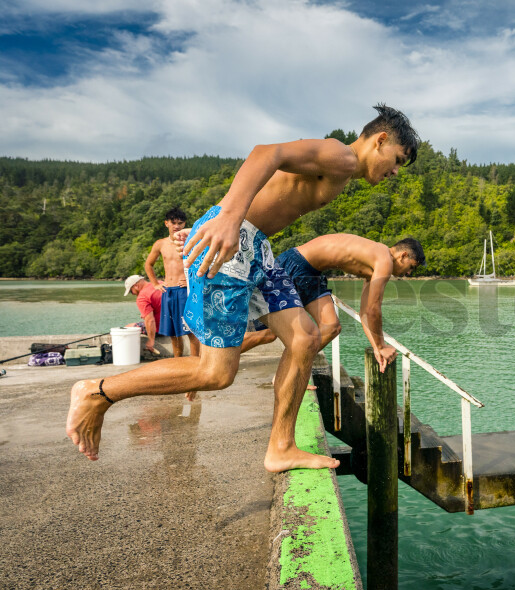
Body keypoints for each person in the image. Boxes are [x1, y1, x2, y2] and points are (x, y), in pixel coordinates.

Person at [67, 104, 419, 473]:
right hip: (235, 241)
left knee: (305, 339)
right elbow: (267, 153)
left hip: (258, 248)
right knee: (215, 373)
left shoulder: (341, 169)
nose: (395, 172)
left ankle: (281, 447)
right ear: (380, 140)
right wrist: (228, 218)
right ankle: (99, 391)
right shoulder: (341, 156)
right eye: (397, 160)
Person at [277, 234, 425, 372]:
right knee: (267, 335)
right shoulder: (384, 260)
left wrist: (376, 348)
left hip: (312, 273)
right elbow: (374, 310)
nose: (409, 273)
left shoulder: (376, 264)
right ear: (403, 255)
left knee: (331, 327)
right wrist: (381, 345)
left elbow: (366, 313)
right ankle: (289, 372)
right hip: (297, 264)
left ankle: (291, 372)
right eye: (411, 267)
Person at [144, 207, 201, 358]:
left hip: (185, 291)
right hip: (168, 291)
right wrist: (155, 284)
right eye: (173, 222)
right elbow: (148, 264)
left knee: (191, 331)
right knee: (174, 333)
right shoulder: (160, 244)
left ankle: (195, 364)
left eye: (180, 223)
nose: (177, 226)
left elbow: (202, 263)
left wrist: (191, 282)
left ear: (184, 224)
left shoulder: (191, 241)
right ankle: (178, 362)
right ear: (166, 223)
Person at [123, 274, 162, 354]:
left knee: (127, 327)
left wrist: (151, 341)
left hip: (160, 328)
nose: (133, 294)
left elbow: (150, 321)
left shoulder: (142, 297)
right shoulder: (159, 283)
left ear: (136, 286)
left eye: (131, 291)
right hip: (173, 323)